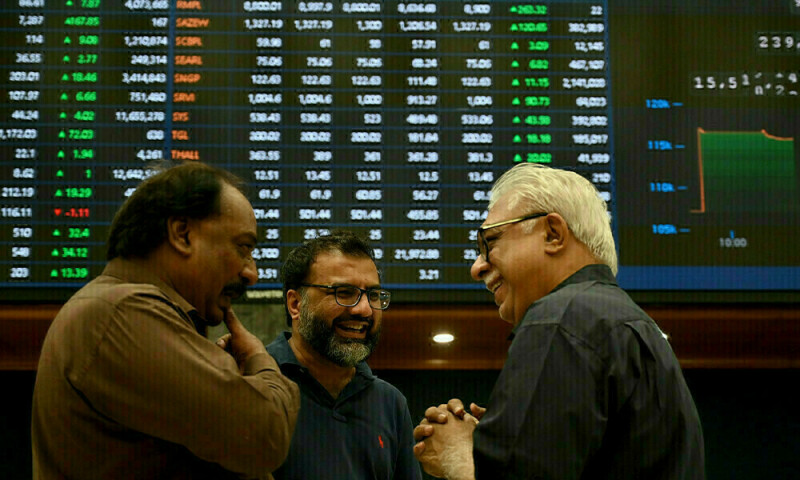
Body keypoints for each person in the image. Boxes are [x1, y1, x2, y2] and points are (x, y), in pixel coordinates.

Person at [413, 163, 705, 479]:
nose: (477, 268)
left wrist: (458, 457)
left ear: (553, 233)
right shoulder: (634, 326)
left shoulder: (561, 319)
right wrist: (509, 438)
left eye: (490, 241)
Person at [31, 162, 300, 479]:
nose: (251, 273)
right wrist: (259, 361)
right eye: (243, 247)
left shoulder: (117, 309)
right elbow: (264, 436)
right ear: (182, 235)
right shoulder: (123, 312)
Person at [265, 231, 422, 480]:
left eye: (373, 295)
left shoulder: (390, 403)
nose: (364, 310)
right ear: (296, 304)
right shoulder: (252, 381)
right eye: (344, 292)